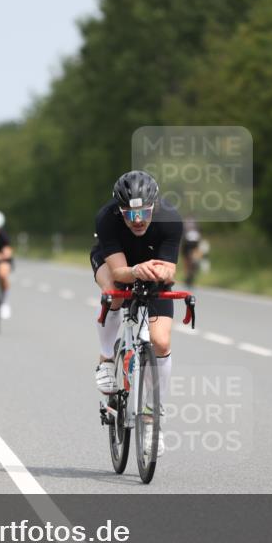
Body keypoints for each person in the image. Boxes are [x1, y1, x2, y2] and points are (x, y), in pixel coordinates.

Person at [91, 170, 183, 457]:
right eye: (129, 215)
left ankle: (151, 418)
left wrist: (160, 272)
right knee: (113, 287)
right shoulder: (106, 218)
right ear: (120, 210)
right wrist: (134, 271)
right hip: (118, 264)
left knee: (162, 343)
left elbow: (170, 271)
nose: (138, 220)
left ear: (154, 205)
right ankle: (107, 357)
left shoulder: (171, 219)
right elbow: (119, 270)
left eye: (143, 213)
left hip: (150, 266)